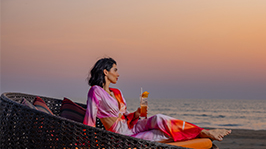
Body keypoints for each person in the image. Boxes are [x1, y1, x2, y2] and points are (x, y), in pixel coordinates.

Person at [83, 58, 231, 143]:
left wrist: (138, 112)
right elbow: (90, 118)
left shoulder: (117, 92)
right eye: (115, 70)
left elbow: (125, 115)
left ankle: (204, 132)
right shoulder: (95, 91)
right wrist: (86, 144)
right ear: (105, 72)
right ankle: (203, 133)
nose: (118, 74)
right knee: (168, 135)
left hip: (131, 126)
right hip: (120, 133)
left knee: (159, 118)